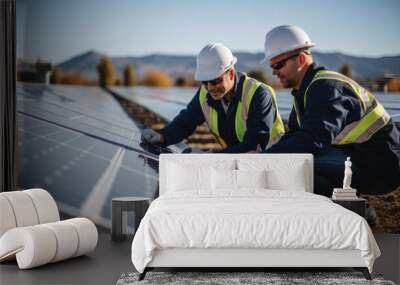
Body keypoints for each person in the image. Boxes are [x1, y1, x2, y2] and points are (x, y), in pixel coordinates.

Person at [261, 25, 400, 197]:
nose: (274, 71)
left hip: (381, 166)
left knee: (296, 164)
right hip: (359, 155)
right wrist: (264, 154)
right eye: (271, 65)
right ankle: (355, 208)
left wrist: (265, 159)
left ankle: (350, 211)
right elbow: (297, 134)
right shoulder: (306, 91)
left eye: (279, 64)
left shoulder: (326, 88)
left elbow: (312, 140)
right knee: (292, 163)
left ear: (302, 60)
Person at [141, 43, 285, 153]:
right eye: (204, 82)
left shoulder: (258, 95)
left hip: (272, 164)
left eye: (215, 80)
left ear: (230, 73)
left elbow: (255, 145)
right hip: (237, 163)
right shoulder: (205, 94)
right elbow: (185, 122)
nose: (210, 87)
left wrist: (212, 158)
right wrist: (162, 136)